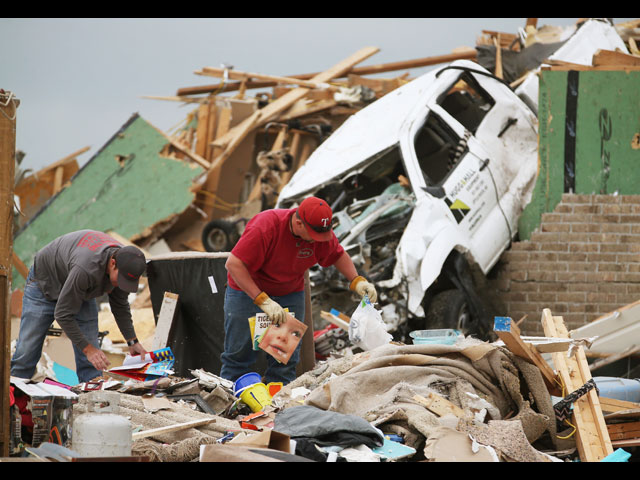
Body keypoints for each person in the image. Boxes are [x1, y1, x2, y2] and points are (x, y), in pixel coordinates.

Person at [221, 196, 377, 385]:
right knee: (239, 355)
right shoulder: (265, 226)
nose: (317, 241)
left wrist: (357, 280)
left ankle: (279, 404)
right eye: (313, 235)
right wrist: (262, 300)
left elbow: (337, 254)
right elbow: (234, 264)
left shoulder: (319, 233)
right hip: (247, 291)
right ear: (298, 223)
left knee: (283, 359)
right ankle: (229, 401)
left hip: (289, 292)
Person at [11, 230, 148, 383]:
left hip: (80, 289)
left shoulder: (126, 265)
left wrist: (132, 341)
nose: (122, 285)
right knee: (27, 352)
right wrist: (87, 348)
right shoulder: (87, 268)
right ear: (113, 263)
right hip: (45, 284)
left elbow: (120, 305)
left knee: (92, 363)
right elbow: (63, 314)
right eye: (121, 279)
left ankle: (92, 398)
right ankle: (13, 398)